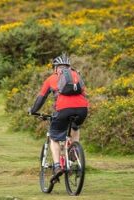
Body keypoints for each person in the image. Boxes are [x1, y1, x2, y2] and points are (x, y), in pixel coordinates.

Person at [29, 53, 89, 181]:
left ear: (56, 68)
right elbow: (84, 93)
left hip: (63, 109)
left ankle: (57, 167)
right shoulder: (76, 76)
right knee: (75, 125)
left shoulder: (51, 78)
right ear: (68, 67)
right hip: (83, 109)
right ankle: (74, 151)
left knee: (54, 137)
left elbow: (41, 98)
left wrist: (33, 110)